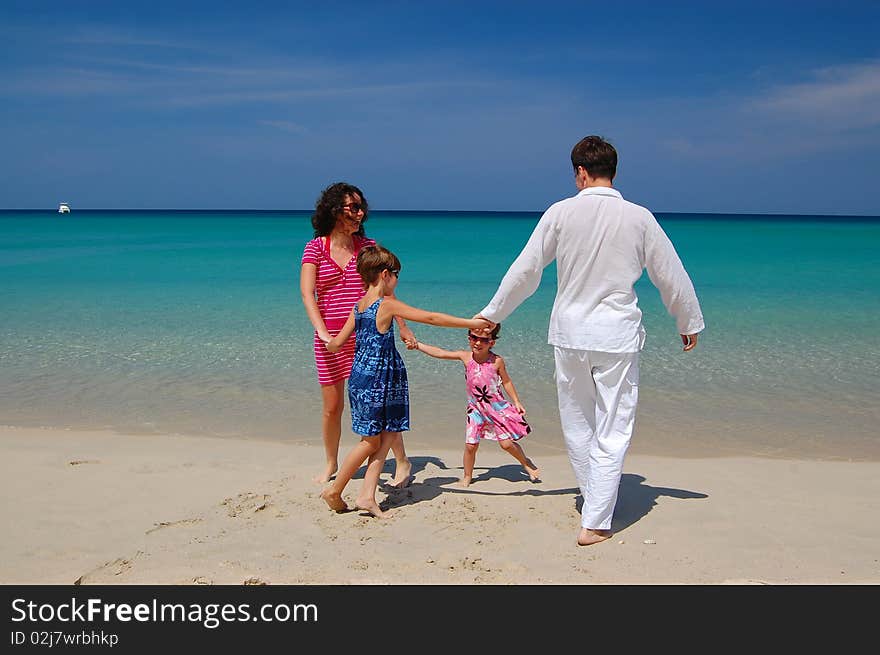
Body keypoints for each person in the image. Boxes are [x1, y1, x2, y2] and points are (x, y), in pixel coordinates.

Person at [475, 135, 704, 546]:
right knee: (613, 425)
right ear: (612, 171)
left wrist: (491, 314)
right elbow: (670, 272)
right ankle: (597, 517)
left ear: (581, 171)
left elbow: (527, 271)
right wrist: (687, 320)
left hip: (570, 334)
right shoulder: (639, 217)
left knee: (578, 422)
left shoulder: (560, 213)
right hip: (616, 335)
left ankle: (594, 499)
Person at [319, 245, 491, 517]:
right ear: (386, 274)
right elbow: (431, 317)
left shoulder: (358, 306)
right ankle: (335, 489)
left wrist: (322, 336)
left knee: (385, 435)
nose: (398, 280)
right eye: (396, 275)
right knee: (369, 442)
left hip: (361, 377)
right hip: (381, 379)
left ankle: (367, 495)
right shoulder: (386, 305)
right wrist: (470, 323)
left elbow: (337, 343)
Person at [300, 182, 416, 486]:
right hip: (330, 339)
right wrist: (324, 334)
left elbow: (385, 294)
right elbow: (307, 294)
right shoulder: (316, 248)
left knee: (382, 404)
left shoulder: (368, 246)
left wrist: (403, 327)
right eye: (354, 207)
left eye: (361, 207)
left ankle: (402, 462)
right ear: (336, 210)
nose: (360, 213)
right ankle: (330, 463)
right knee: (332, 407)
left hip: (369, 336)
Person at [410, 323, 541, 486]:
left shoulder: (497, 361)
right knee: (471, 446)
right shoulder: (466, 357)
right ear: (469, 339)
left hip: (496, 409)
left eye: (484, 340)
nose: (478, 343)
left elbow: (506, 381)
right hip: (475, 410)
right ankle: (467, 476)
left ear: (492, 342)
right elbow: (441, 353)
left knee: (506, 444)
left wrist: (516, 401)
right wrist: (418, 345)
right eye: (474, 338)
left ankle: (526, 463)